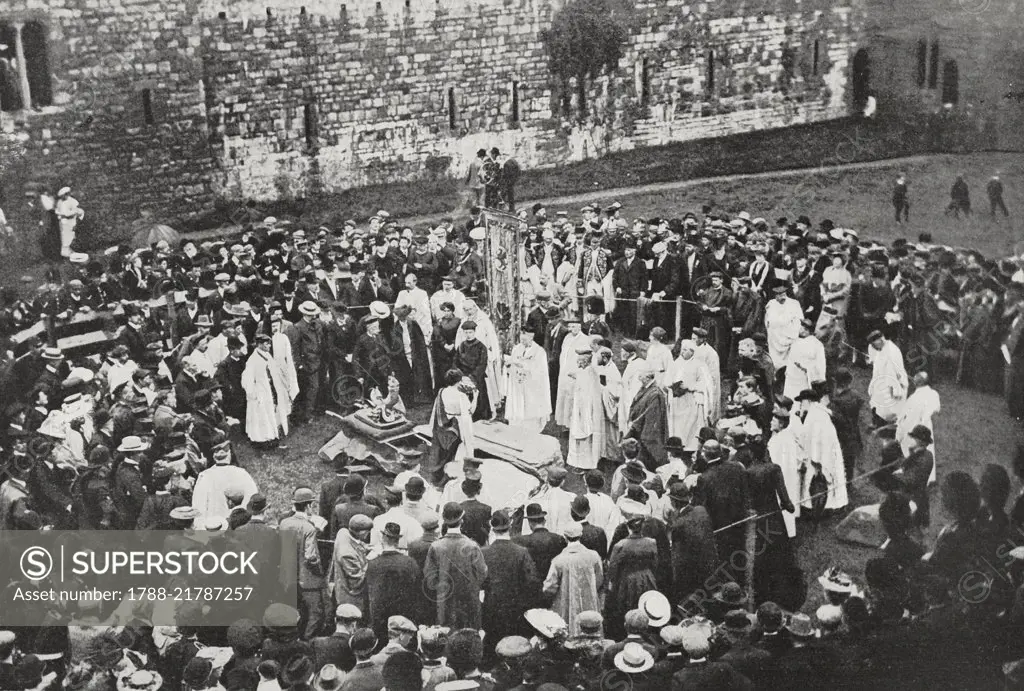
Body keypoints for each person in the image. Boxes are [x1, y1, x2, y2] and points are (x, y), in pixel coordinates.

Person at [481, 510, 540, 652]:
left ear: (492, 527)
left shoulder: (483, 552)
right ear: (511, 525)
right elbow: (532, 582)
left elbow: (479, 581)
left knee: (493, 648)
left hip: (492, 609)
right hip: (516, 610)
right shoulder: (521, 552)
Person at [423, 503, 488, 630]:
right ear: (462, 520)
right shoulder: (471, 546)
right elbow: (482, 573)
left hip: (444, 604)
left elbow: (429, 576)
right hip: (469, 604)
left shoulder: (436, 546)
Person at [279, 487, 329, 639]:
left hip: (288, 576)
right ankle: (306, 641)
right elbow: (310, 557)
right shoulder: (309, 528)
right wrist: (320, 573)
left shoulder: (284, 523)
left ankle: (292, 638)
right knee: (316, 613)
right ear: (308, 506)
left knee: (294, 610)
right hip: (307, 579)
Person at [543, 522, 604, 636]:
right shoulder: (593, 556)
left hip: (565, 604)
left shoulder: (558, 560)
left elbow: (549, 587)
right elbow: (599, 578)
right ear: (580, 536)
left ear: (565, 538)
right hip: (589, 601)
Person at [241, 334, 293, 450]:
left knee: (272, 415)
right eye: (266, 344)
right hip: (259, 395)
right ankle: (262, 442)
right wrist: (254, 395)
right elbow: (246, 380)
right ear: (259, 344)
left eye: (269, 343)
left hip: (270, 390)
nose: (269, 346)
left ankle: (273, 438)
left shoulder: (267, 355)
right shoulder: (252, 360)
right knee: (261, 418)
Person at [425, 369, 477, 483]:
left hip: (445, 422)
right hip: (458, 423)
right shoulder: (461, 396)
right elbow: (470, 411)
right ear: (458, 381)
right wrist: (475, 396)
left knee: (444, 452)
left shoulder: (442, 392)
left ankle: (443, 474)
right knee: (461, 448)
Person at [504, 324, 552, 432]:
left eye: (525, 340)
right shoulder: (516, 349)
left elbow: (540, 371)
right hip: (518, 384)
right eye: (521, 338)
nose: (523, 342)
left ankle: (532, 430)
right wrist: (509, 366)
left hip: (532, 386)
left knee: (530, 412)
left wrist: (523, 365)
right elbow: (512, 364)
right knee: (518, 410)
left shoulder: (539, 352)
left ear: (531, 337)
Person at [896, 371, 940, 484]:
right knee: (927, 451)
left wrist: (900, 430)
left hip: (915, 426)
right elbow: (936, 409)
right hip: (926, 427)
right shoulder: (934, 393)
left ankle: (911, 474)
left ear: (917, 383)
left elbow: (904, 415)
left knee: (912, 448)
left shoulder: (913, 398)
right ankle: (929, 477)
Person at [624, 363, 669, 470]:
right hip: (640, 429)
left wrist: (634, 424)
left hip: (648, 433)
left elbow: (651, 414)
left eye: (641, 375)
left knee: (648, 460)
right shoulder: (644, 388)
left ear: (649, 377)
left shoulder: (655, 393)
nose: (639, 377)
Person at [667, 341, 708, 452]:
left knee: (690, 423)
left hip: (690, 399)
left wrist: (690, 386)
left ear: (692, 352)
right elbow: (668, 378)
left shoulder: (699, 365)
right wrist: (672, 384)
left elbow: (703, 383)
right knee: (677, 424)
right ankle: (678, 444)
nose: (682, 352)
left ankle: (690, 446)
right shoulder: (676, 363)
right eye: (682, 349)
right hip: (677, 399)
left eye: (685, 350)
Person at [867, 330, 908, 426]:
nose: (874, 347)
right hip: (880, 381)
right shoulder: (882, 348)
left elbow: (895, 373)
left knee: (890, 408)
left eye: (874, 344)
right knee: (875, 401)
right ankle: (877, 422)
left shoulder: (892, 351)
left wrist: (895, 388)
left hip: (892, 383)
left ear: (880, 339)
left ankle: (892, 426)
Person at [764, 286, 803, 369]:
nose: (777, 297)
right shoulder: (771, 303)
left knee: (789, 363)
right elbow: (767, 321)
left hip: (788, 338)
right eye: (776, 295)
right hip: (774, 340)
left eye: (781, 295)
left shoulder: (794, 304)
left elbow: (798, 322)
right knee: (775, 362)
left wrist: (790, 335)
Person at [54, 186, 85, 258]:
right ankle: (65, 252)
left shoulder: (72, 201)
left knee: (71, 236)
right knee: (65, 237)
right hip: (64, 222)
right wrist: (61, 214)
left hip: (71, 221)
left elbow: (77, 209)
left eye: (65, 195)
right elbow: (60, 212)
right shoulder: (60, 202)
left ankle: (70, 250)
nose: (64, 197)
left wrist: (74, 212)